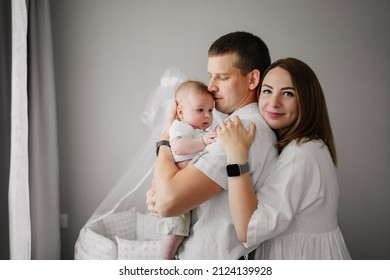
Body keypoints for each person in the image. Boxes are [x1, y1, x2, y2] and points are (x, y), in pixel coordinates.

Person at [147, 31, 278, 259]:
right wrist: (160, 190)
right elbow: (169, 193)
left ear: (252, 80)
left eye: (223, 77)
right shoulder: (224, 125)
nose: (211, 87)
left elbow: (169, 202)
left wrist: (166, 140)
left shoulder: (240, 130)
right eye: (211, 76)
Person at [217, 57, 351, 259]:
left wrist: (236, 155)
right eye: (267, 91)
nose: (274, 103)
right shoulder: (306, 146)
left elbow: (247, 230)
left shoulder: (302, 152)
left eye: (287, 93)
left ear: (306, 100)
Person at [157, 80, 217, 259]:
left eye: (210, 110)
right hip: (176, 187)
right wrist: (204, 141)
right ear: (181, 112)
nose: (207, 116)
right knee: (176, 229)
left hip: (186, 188)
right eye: (200, 110)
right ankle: (165, 258)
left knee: (184, 230)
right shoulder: (180, 127)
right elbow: (178, 148)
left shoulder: (200, 130)